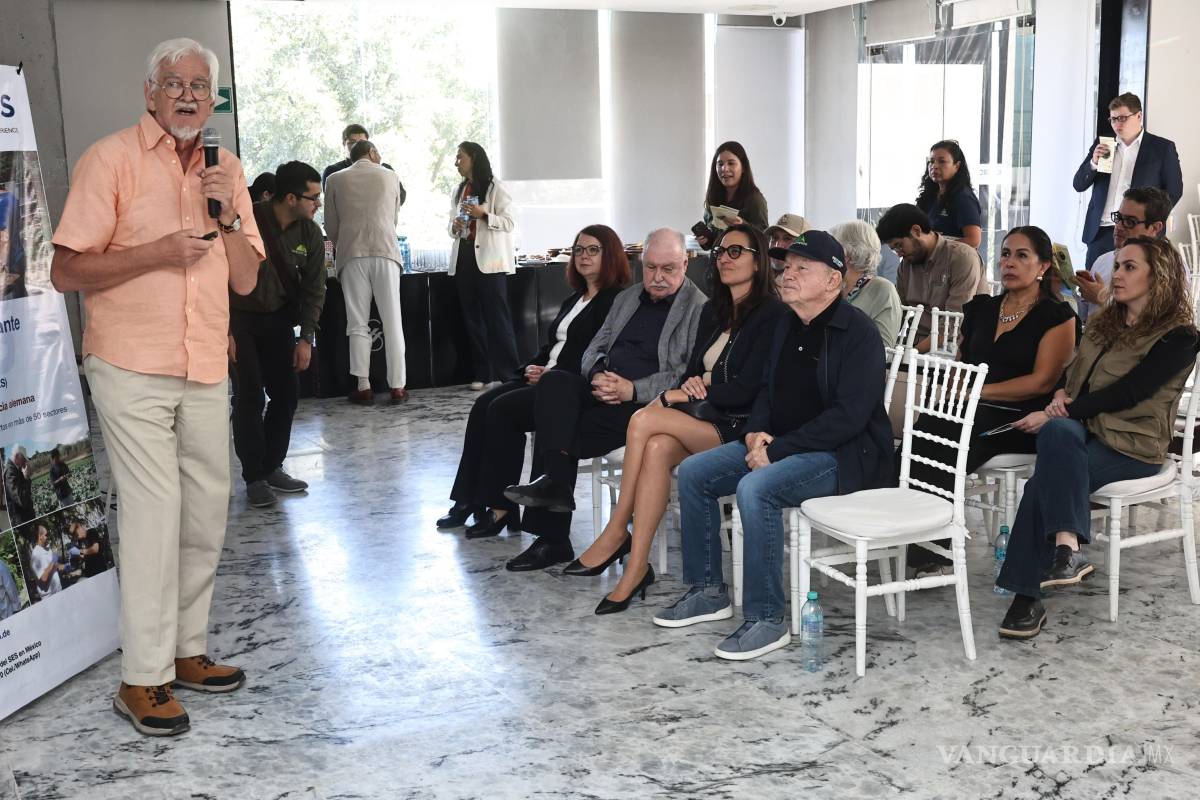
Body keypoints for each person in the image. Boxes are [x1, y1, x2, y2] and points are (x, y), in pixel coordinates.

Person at [50, 37, 259, 737]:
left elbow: (246, 279)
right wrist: (158, 255)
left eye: (202, 84)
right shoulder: (108, 159)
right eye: (175, 83)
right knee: (154, 510)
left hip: (203, 362)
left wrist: (226, 213)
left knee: (206, 508)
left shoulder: (226, 169)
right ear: (150, 93)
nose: (190, 95)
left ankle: (186, 649)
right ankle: (142, 677)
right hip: (130, 364)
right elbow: (67, 271)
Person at [653, 230, 894, 660]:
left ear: (833, 281)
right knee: (694, 473)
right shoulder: (785, 323)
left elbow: (849, 418)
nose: (787, 275)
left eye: (803, 268)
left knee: (755, 488)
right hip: (782, 444)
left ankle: (767, 619)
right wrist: (756, 432)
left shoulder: (856, 333)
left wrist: (776, 451)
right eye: (786, 266)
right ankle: (709, 590)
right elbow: (766, 389)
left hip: (842, 456)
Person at [568, 224, 785, 615]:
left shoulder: (771, 313)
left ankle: (617, 531)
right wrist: (691, 386)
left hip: (740, 425)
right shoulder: (716, 310)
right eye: (721, 251)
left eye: (736, 251)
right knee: (655, 447)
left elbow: (749, 387)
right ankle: (635, 568)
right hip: (706, 416)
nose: (725, 258)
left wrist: (683, 392)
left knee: (642, 422)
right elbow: (689, 369)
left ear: (759, 260)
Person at [997, 236, 1198, 638]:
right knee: (1057, 435)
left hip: (1133, 444)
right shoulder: (1105, 323)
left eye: (1129, 267)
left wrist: (1061, 411)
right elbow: (1074, 376)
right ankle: (1067, 548)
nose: (1116, 274)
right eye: (1118, 265)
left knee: (1043, 481)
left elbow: (1130, 392)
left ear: (1159, 276)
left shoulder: (1180, 337)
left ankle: (1027, 595)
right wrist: (1059, 397)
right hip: (1083, 433)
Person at [502, 228, 707, 572]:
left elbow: (684, 373)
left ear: (686, 263)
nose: (657, 278)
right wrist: (597, 374)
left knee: (558, 428)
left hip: (645, 406)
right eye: (651, 267)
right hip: (602, 388)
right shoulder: (627, 299)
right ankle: (553, 491)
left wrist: (631, 389)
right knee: (555, 384)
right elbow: (593, 348)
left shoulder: (698, 309)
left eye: (668, 269)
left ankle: (552, 536)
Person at [905, 226, 1077, 576]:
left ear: (1043, 266)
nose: (1009, 262)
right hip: (974, 406)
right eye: (1005, 254)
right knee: (923, 431)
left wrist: (977, 391)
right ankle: (911, 534)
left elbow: (1042, 381)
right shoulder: (982, 308)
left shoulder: (1057, 316)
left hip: (1023, 415)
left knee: (948, 439)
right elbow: (962, 360)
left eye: (1022, 255)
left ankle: (931, 545)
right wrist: (957, 386)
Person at [439, 224, 630, 537]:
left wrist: (551, 374)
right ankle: (468, 499)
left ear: (610, 256)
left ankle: (500, 508)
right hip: (546, 377)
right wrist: (529, 368)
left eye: (593, 250)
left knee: (500, 409)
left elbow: (594, 353)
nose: (583, 256)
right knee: (483, 404)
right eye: (579, 249)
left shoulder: (614, 302)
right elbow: (552, 346)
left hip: (568, 386)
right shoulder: (575, 298)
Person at [229, 161, 328, 507]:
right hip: (239, 318)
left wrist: (306, 339)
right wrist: (223, 330)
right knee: (250, 396)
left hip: (279, 322)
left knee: (286, 394)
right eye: (313, 197)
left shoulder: (311, 235)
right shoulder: (246, 219)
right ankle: (253, 476)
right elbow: (217, 271)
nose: (318, 204)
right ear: (290, 197)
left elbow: (316, 289)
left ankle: (272, 466)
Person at [325, 140, 408, 405]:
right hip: (386, 250)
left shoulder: (335, 180)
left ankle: (363, 385)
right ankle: (398, 386)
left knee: (357, 321)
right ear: (372, 153)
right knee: (392, 318)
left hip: (352, 253)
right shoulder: (390, 175)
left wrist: (343, 243)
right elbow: (393, 218)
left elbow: (331, 224)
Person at [1073, 92, 1183, 269]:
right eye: (1113, 119)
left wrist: (1150, 223)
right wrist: (1093, 162)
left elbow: (1174, 191)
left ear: (1138, 116)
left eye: (1122, 118)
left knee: (1132, 287)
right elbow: (1078, 184)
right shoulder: (1103, 144)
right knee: (1093, 288)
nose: (1117, 124)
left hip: (1139, 233)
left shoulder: (1161, 148)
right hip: (1100, 232)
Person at [449, 142, 520, 391]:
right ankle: (483, 372)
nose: (456, 162)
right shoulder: (459, 190)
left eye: (460, 157)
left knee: (497, 319)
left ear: (474, 158)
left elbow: (509, 222)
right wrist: (455, 226)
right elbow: (451, 226)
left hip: (491, 261)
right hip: (465, 257)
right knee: (472, 319)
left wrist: (484, 215)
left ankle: (510, 375)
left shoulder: (495, 187)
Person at [1075, 186, 1172, 322]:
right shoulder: (1103, 260)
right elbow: (1086, 315)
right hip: (1093, 340)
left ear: (1155, 228)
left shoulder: (1170, 268)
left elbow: (1160, 323)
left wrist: (1102, 298)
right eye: (1118, 218)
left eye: (1130, 222)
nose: (1119, 226)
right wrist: (1064, 292)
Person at [829, 220, 902, 347]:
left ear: (847, 254)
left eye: (832, 248)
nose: (826, 255)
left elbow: (884, 349)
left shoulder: (882, 290)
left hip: (855, 364)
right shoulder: (833, 286)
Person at [695, 141, 769, 250]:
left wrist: (744, 226)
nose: (724, 169)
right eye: (720, 164)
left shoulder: (754, 199)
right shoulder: (713, 197)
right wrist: (706, 241)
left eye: (731, 163)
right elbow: (714, 241)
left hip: (743, 262)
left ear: (743, 167)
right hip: (716, 261)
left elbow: (764, 238)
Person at [916, 140, 983, 249]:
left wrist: (936, 243)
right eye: (932, 161)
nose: (934, 166)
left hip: (955, 261)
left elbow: (974, 240)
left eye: (942, 161)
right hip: (931, 261)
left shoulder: (963, 196)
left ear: (957, 166)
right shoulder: (929, 195)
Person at [321, 124, 402, 198]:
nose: (357, 147)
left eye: (362, 143)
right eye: (352, 142)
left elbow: (400, 197)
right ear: (344, 145)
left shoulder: (386, 169)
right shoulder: (333, 171)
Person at [27, 524, 64, 600]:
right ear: (40, 536)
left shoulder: (48, 549)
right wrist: (53, 561)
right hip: (49, 596)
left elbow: (54, 566)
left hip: (58, 589)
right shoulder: (35, 555)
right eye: (46, 535)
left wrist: (64, 566)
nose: (48, 537)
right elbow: (43, 578)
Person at [3, 446, 34, 526]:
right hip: (22, 521)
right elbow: (21, 500)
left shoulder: (17, 469)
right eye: (23, 459)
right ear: (17, 456)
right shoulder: (10, 473)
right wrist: (26, 478)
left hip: (26, 516)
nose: (24, 462)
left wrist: (27, 476)